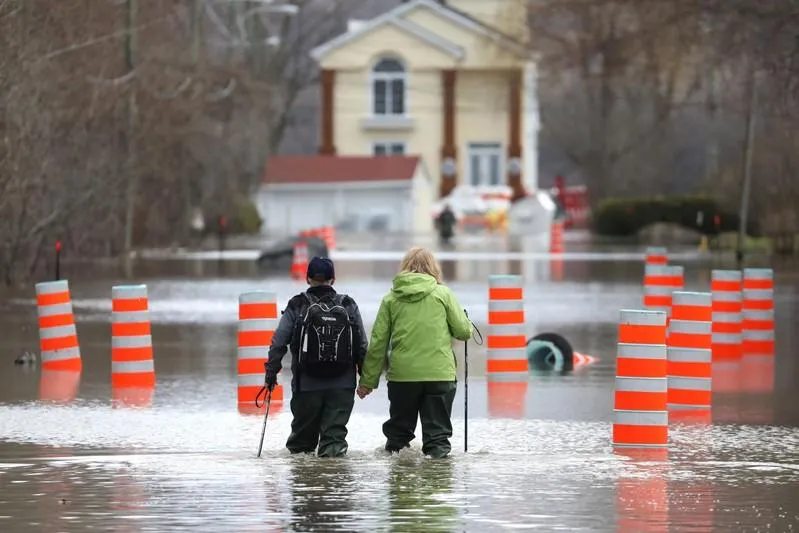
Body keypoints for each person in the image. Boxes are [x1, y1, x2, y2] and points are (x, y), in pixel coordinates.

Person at [357, 247, 472, 458]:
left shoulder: (391, 298)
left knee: (398, 439)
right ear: (433, 267)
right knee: (437, 438)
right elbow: (463, 332)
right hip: (439, 375)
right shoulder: (443, 294)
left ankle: (400, 484)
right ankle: (437, 484)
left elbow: (378, 342)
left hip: (403, 376)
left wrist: (368, 381)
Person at [265, 256, 367, 457]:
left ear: (307, 278)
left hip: (306, 385)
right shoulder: (348, 305)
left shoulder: (297, 304)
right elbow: (362, 345)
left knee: (301, 447)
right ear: (333, 280)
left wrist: (271, 374)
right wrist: (365, 378)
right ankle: (333, 481)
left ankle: (305, 484)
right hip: (342, 385)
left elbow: (278, 343)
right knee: (334, 442)